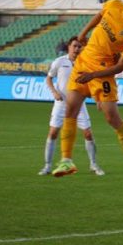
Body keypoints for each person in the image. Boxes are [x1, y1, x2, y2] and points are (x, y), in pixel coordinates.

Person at [51, 0, 123, 184]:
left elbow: (121, 66)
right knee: (70, 110)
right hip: (82, 64)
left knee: (112, 118)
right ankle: (66, 160)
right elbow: (99, 15)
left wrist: (93, 76)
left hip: (103, 72)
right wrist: (83, 33)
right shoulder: (114, 5)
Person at [39, 37, 104, 177]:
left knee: (88, 133)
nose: (76, 49)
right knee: (53, 133)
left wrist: (98, 98)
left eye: (79, 46)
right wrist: (54, 92)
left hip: (78, 103)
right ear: (69, 47)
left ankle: (94, 165)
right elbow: (49, 78)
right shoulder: (59, 62)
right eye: (74, 46)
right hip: (61, 103)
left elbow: (93, 82)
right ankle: (47, 166)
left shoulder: (85, 63)